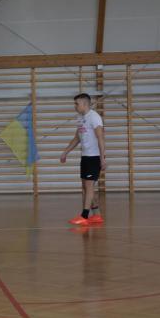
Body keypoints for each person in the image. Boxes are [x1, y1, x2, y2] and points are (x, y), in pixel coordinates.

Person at [60, 93, 106, 225]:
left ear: (85, 104)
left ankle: (84, 216)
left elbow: (100, 138)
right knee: (86, 187)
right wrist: (65, 152)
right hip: (85, 157)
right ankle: (97, 215)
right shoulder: (79, 118)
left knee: (89, 186)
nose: (75, 106)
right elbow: (77, 138)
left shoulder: (94, 117)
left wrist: (102, 158)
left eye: (77, 104)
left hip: (94, 157)